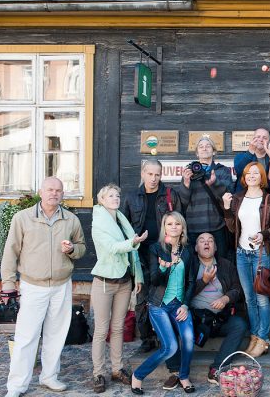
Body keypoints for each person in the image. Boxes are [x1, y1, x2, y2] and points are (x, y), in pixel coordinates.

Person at [2, 177, 87, 397]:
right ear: (41, 192)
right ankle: (16, 386)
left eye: (58, 190)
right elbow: (10, 251)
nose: (54, 193)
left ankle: (49, 376)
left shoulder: (71, 220)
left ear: (63, 194)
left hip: (61, 285)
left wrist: (72, 250)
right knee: (26, 337)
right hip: (33, 285)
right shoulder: (22, 218)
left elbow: (81, 247)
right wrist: (8, 284)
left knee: (56, 335)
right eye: (50, 189)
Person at [90, 184, 146, 393]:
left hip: (124, 282)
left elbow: (132, 254)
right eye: (110, 195)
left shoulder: (121, 219)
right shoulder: (99, 222)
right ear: (101, 200)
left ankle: (117, 369)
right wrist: (133, 242)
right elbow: (113, 248)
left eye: (117, 195)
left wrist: (137, 276)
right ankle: (98, 373)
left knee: (118, 328)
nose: (115, 198)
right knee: (101, 330)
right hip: (104, 282)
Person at [131, 211, 196, 395]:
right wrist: (164, 266)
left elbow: (191, 281)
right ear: (164, 228)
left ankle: (184, 376)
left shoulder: (188, 251)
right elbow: (154, 280)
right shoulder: (156, 249)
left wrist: (185, 305)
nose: (174, 227)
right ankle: (138, 375)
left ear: (182, 228)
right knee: (171, 347)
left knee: (189, 340)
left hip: (179, 304)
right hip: (159, 305)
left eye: (177, 223)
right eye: (169, 224)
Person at [122, 159, 181, 354]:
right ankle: (147, 338)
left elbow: (179, 222)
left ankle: (167, 337)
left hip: (164, 251)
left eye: (157, 174)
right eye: (150, 174)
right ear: (142, 173)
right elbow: (123, 227)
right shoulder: (131, 197)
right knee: (142, 298)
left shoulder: (169, 194)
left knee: (167, 295)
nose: (153, 178)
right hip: (139, 255)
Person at [222, 162, 270, 358]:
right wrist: (227, 208)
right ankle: (255, 336)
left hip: (261, 253)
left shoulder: (269, 199)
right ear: (244, 177)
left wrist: (263, 235)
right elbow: (232, 228)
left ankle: (263, 338)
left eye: (256, 173)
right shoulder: (238, 198)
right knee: (249, 298)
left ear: (261, 176)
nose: (252, 175)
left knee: (261, 297)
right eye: (248, 173)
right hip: (242, 253)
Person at [186, 233, 247, 386]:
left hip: (219, 319)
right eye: (202, 241)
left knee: (239, 324)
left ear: (216, 247)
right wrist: (204, 281)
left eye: (210, 241)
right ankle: (178, 372)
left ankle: (217, 368)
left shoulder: (225, 265)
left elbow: (237, 288)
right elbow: (183, 292)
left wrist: (225, 299)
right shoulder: (190, 265)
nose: (206, 243)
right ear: (196, 247)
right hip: (196, 320)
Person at [177, 136, 233, 260]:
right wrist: (186, 183)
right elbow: (183, 202)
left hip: (217, 225)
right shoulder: (189, 172)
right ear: (197, 153)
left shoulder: (222, 171)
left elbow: (228, 196)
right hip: (194, 226)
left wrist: (215, 183)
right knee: (194, 264)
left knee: (221, 261)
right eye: (201, 147)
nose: (204, 148)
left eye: (208, 146)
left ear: (214, 151)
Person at [233, 128, 270, 192]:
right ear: (252, 139)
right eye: (258, 137)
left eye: (264, 138)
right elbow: (239, 171)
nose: (261, 140)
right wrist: (250, 151)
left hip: (264, 195)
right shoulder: (240, 156)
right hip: (243, 194)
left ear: (269, 142)